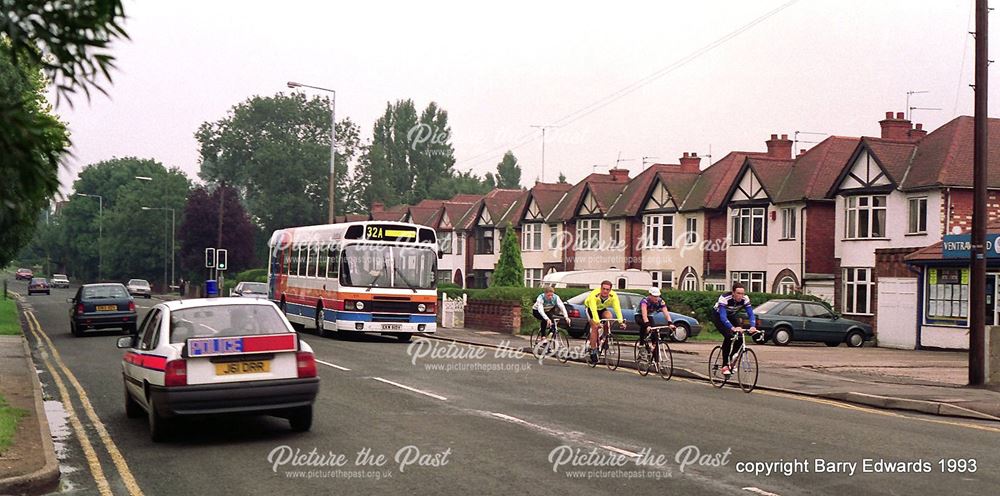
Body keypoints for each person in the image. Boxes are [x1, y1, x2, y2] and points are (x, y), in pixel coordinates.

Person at [712, 282, 761, 376]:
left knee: (740, 336)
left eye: (742, 293)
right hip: (718, 316)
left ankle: (732, 360)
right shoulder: (725, 298)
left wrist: (753, 326)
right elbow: (723, 317)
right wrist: (732, 328)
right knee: (728, 336)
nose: (740, 296)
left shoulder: (745, 299)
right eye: (738, 293)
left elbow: (751, 314)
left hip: (731, 315)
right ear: (733, 293)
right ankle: (724, 365)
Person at [583, 280, 626, 363]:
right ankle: (593, 350)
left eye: (607, 289)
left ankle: (604, 337)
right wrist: (597, 322)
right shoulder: (594, 295)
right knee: (595, 327)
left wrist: (621, 322)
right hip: (590, 309)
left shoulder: (613, 296)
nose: (605, 291)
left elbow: (617, 309)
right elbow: (593, 310)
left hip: (602, 309)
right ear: (600, 288)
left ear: (610, 290)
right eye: (603, 289)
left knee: (609, 317)